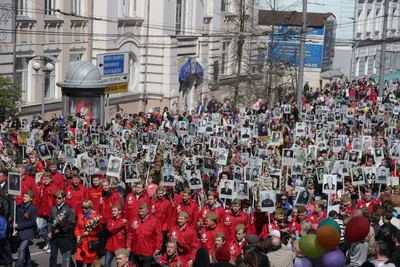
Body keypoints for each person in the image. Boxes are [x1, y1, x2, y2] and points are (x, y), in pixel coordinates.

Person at [126, 202, 162, 267]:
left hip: (148, 251)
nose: (141, 213)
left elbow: (158, 235)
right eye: (139, 211)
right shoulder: (134, 220)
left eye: (142, 211)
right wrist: (128, 246)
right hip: (136, 250)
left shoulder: (154, 220)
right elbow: (130, 234)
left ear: (147, 211)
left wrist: (158, 248)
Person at [48, 190, 76, 267]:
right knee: (53, 256)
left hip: (64, 236)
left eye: (59, 198)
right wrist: (50, 231)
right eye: (56, 197)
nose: (57, 199)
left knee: (66, 256)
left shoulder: (69, 209)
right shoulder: (53, 208)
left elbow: (71, 223)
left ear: (64, 198)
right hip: (54, 236)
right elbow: (50, 221)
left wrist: (60, 230)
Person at [14, 190, 38, 267]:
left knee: (21, 250)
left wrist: (18, 226)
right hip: (20, 232)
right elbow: (16, 218)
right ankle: (29, 264)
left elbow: (32, 222)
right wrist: (15, 228)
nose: (24, 198)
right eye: (24, 196)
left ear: (31, 199)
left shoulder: (33, 208)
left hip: (28, 232)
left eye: (26, 197)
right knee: (25, 250)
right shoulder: (19, 207)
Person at [75, 200, 101, 267]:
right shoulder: (80, 215)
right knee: (78, 260)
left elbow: (98, 230)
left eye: (86, 208)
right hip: (81, 242)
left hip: (90, 242)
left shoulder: (95, 217)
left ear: (90, 208)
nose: (84, 209)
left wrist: (89, 233)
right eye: (83, 207)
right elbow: (77, 228)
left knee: (90, 261)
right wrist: (77, 235)